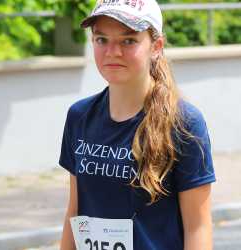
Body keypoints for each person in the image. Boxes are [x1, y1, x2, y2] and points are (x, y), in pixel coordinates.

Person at [59, 0, 216, 249]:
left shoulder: (185, 123)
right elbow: (75, 212)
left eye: (128, 41)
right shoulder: (79, 116)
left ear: (156, 46)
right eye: (101, 39)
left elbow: (198, 227)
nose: (112, 52)